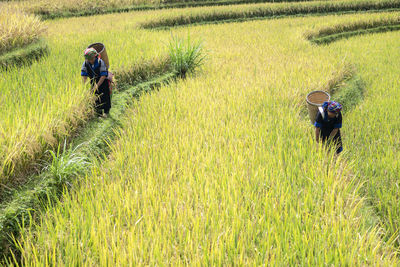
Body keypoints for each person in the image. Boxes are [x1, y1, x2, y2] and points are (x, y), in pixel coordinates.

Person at [81, 47, 111, 117]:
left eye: (92, 59)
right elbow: (84, 75)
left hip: (103, 82)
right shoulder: (85, 63)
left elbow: (103, 75)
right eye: (89, 59)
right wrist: (84, 86)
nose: (91, 61)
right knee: (96, 97)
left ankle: (106, 112)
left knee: (105, 96)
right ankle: (99, 113)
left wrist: (97, 86)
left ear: (95, 56)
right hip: (93, 81)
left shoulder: (100, 62)